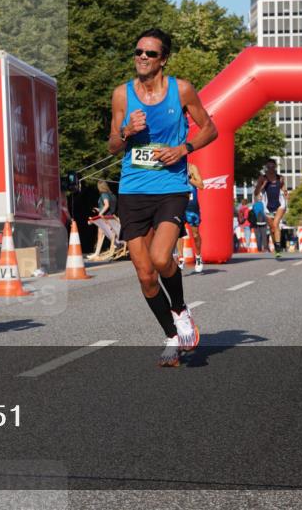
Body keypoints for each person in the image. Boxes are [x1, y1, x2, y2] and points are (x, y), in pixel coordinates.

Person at [107, 28, 217, 368]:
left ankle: (181, 309)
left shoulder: (181, 90)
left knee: (159, 258)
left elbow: (210, 129)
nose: (141, 57)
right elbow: (112, 145)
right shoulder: (122, 95)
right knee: (144, 274)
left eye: (150, 53)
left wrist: (183, 148)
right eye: (138, 51)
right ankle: (172, 335)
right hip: (132, 190)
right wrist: (126, 132)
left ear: (163, 59)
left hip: (170, 187)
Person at [254, 159, 287, 259]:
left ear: (275, 167)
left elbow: (283, 188)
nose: (271, 169)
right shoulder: (262, 178)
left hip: (280, 204)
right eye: (269, 167)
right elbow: (256, 193)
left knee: (276, 224)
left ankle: (278, 247)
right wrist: (263, 185)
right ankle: (276, 245)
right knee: (272, 228)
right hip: (267, 206)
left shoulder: (280, 177)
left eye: (273, 167)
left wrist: (285, 192)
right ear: (266, 168)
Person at [175, 163, 204, 273]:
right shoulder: (173, 167)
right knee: (178, 233)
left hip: (192, 207)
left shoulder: (192, 168)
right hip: (179, 205)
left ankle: (198, 257)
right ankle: (181, 258)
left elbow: (201, 185)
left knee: (195, 235)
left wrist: (189, 178)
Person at [89, 180, 120, 259]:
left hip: (105, 218)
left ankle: (96, 253)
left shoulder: (104, 194)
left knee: (100, 235)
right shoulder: (112, 195)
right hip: (111, 217)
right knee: (111, 234)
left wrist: (100, 213)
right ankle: (116, 246)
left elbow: (106, 205)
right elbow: (110, 208)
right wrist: (99, 209)